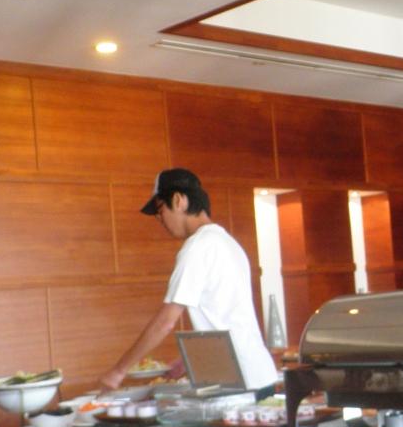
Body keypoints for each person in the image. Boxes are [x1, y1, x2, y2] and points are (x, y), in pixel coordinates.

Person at [100, 168, 278, 395]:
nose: (160, 220)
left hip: (237, 383)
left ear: (178, 200)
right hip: (257, 374)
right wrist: (191, 359)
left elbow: (165, 322)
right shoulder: (227, 242)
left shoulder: (197, 246)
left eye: (160, 210)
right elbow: (226, 316)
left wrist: (118, 371)